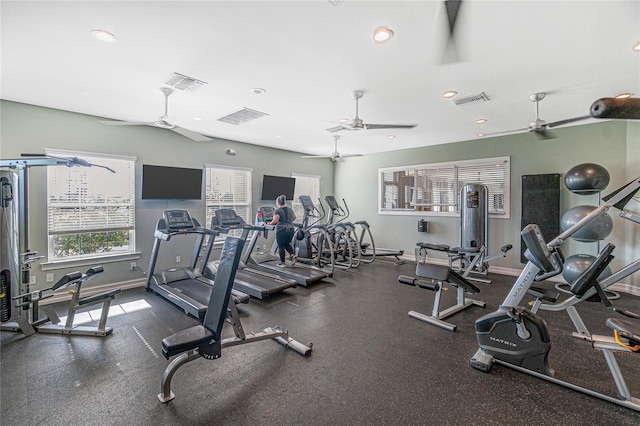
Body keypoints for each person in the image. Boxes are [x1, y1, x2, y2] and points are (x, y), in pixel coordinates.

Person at [268, 194, 297, 267]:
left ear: (277, 202)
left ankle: (283, 263)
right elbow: (294, 218)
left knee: (281, 246)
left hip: (282, 231)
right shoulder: (290, 209)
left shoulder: (278, 211)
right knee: (286, 244)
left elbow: (275, 221)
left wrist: (268, 224)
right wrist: (288, 223)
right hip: (291, 230)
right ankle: (292, 255)